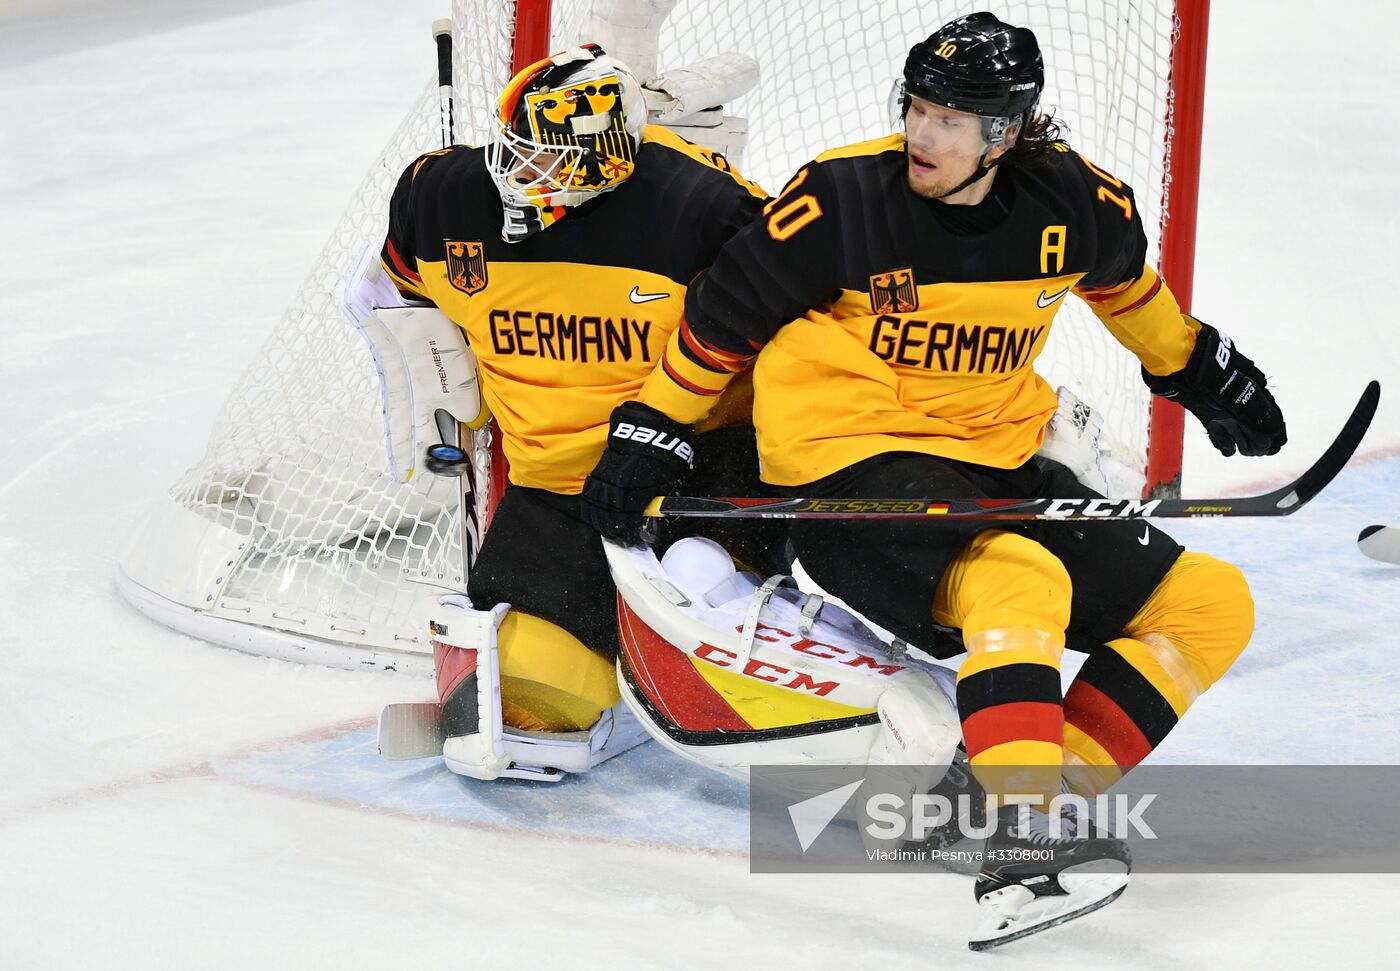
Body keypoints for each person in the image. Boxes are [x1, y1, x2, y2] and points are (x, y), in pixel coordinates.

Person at [582, 13, 1286, 949]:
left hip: (989, 460)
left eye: (953, 118)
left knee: (1209, 601)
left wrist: (1199, 367)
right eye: (917, 106)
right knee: (1019, 581)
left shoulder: (1075, 204)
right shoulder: (839, 202)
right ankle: (1019, 846)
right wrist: (650, 429)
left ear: (1008, 131)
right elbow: (719, 323)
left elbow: (1129, 292)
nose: (924, 132)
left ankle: (1029, 796)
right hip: (845, 470)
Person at [354, 44, 788, 783]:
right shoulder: (446, 197)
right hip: (557, 495)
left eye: (545, 161)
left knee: (738, 678)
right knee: (529, 713)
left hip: (696, 478)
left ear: (610, 163)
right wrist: (434, 393)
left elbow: (801, 339)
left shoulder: (704, 210)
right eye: (514, 149)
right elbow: (384, 295)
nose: (516, 174)